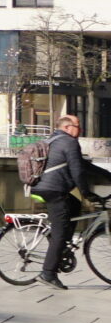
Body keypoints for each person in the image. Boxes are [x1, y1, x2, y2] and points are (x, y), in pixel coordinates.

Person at [33, 113, 101, 289]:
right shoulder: (70, 142)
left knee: (74, 205)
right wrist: (87, 193)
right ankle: (48, 273)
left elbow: (83, 165)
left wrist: (108, 175)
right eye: (77, 126)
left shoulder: (53, 140)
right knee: (60, 231)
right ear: (66, 127)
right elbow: (77, 171)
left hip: (42, 186)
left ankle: (62, 247)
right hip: (53, 190)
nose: (80, 130)